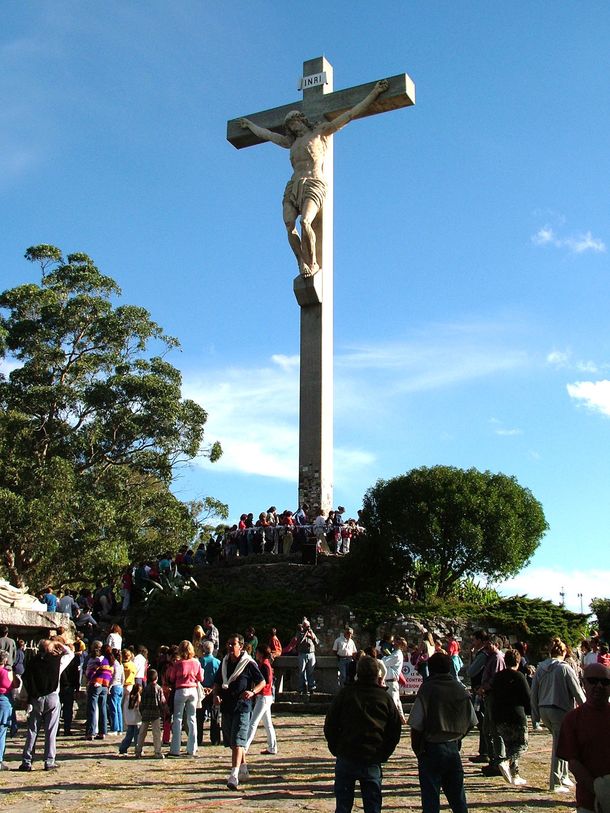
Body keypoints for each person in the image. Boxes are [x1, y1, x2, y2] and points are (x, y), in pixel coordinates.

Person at [324, 655, 402, 813]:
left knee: (343, 806)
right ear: (378, 674)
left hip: (347, 754)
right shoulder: (385, 698)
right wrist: (383, 753)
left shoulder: (345, 694)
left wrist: (336, 749)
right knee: (372, 806)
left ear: (358, 673)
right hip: (372, 757)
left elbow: (330, 725)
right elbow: (394, 731)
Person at [408, 652, 478, 813]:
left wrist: (418, 750)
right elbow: (472, 721)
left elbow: (416, 724)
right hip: (452, 747)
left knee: (431, 800)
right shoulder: (460, 689)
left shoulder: (427, 689)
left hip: (431, 747)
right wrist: (458, 736)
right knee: (458, 800)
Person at [531, 637, 585, 792]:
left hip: (544, 709)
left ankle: (563, 776)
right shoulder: (565, 668)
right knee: (559, 746)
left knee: (563, 742)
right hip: (559, 709)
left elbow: (533, 693)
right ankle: (555, 783)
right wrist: (587, 708)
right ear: (564, 651)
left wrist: (535, 718)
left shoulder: (541, 667)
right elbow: (577, 692)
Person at [213, 633, 265, 791]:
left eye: (232, 644)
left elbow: (262, 682)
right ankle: (243, 768)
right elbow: (217, 683)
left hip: (243, 706)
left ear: (240, 646)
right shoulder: (225, 663)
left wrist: (252, 692)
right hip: (227, 706)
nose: (229, 647)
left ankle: (233, 776)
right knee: (231, 741)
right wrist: (215, 695)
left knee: (237, 740)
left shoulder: (248, 664)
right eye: (228, 644)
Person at [557, 662, 610, 813]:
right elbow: (573, 762)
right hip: (588, 802)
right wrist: (601, 791)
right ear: (584, 683)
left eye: (605, 682)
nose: (599, 686)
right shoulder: (572, 719)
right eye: (593, 681)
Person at [19, 638, 74, 771]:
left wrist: (28, 697)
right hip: (52, 697)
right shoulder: (56, 661)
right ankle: (49, 760)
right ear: (49, 649)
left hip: (36, 698)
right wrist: (58, 644)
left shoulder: (32, 662)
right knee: (51, 731)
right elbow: (70, 654)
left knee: (33, 730)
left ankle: (27, 761)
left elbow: (25, 678)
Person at [487, 649, 531, 785]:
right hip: (516, 716)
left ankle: (515, 774)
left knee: (510, 745)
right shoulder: (518, 677)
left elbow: (493, 696)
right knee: (522, 745)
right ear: (518, 661)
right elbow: (527, 697)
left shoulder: (497, 677)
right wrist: (530, 712)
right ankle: (506, 761)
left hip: (500, 716)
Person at [166, 640, 203, 757]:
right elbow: (200, 678)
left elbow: (172, 678)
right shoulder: (196, 662)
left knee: (177, 719)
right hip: (193, 690)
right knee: (192, 719)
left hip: (180, 690)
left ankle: (175, 748)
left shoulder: (178, 663)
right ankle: (192, 748)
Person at [245, 644, 277, 756]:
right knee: (268, 724)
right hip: (266, 696)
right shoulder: (265, 664)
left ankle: (244, 748)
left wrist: (255, 688)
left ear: (261, 653)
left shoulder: (264, 665)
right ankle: (272, 747)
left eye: (257, 652)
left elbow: (266, 681)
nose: (256, 654)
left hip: (263, 696)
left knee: (253, 723)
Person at [136, 668, 167, 758]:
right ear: (157, 678)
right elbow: (162, 701)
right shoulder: (159, 688)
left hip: (146, 712)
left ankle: (138, 750)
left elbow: (142, 702)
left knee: (142, 732)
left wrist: (142, 711)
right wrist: (164, 710)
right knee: (156, 733)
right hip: (156, 713)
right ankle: (157, 751)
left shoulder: (145, 689)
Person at [196, 640, 221, 746]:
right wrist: (212, 688)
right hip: (214, 691)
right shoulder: (217, 662)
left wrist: (203, 688)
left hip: (201, 691)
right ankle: (215, 739)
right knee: (215, 716)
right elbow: (219, 678)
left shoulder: (199, 662)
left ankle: (198, 738)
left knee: (199, 717)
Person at [0, 650, 19, 770]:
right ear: (5, 660)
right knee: (1, 732)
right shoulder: (6, 673)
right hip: (3, 700)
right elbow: (14, 685)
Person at [383, 636, 408, 724]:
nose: (393, 643)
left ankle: (395, 720)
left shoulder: (397, 654)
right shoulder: (395, 653)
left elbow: (385, 662)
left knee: (393, 701)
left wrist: (383, 658)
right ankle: (401, 718)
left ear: (399, 644)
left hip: (391, 681)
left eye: (396, 642)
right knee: (397, 701)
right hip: (391, 681)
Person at [296, 618, 319, 697]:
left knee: (311, 672)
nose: (308, 627)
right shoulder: (299, 633)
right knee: (301, 672)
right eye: (306, 626)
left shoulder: (311, 632)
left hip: (311, 654)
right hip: (302, 654)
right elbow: (299, 641)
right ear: (303, 626)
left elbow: (317, 642)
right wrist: (305, 634)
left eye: (308, 626)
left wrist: (312, 636)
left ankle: (311, 687)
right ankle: (301, 688)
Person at [118, 682, 142, 755]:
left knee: (129, 736)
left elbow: (125, 708)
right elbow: (138, 710)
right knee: (137, 737)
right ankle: (138, 749)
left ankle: (123, 748)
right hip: (137, 720)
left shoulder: (128, 698)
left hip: (129, 720)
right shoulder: (137, 698)